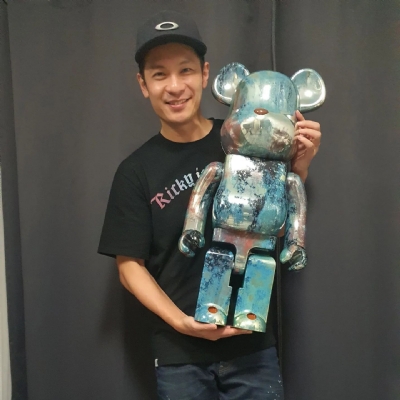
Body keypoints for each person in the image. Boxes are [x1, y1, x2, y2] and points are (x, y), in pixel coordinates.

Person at [98, 10, 321, 400]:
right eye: (159, 74)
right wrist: (181, 323)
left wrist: (299, 167)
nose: (175, 86)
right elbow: (129, 268)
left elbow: (274, 221)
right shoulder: (135, 171)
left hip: (252, 348)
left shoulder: (247, 140)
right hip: (179, 354)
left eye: (185, 70)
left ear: (205, 75)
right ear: (143, 84)